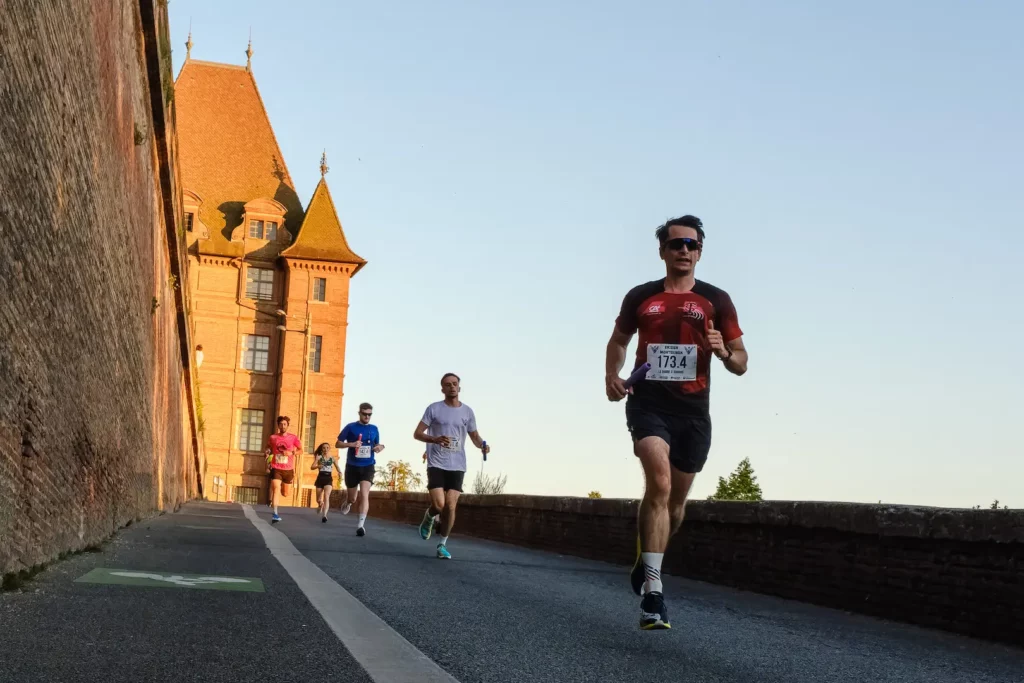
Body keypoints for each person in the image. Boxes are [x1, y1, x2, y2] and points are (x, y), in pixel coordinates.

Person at [605, 215, 748, 630]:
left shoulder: (716, 300)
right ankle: (653, 593)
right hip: (648, 403)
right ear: (662, 251)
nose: (683, 250)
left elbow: (741, 363)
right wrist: (612, 376)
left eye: (691, 244)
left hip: (693, 412)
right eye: (675, 244)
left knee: (676, 504)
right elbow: (618, 340)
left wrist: (723, 352)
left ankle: (646, 554)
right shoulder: (641, 296)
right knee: (659, 482)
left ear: (700, 252)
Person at [413, 373, 490, 559]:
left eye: (455, 384)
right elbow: (417, 433)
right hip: (437, 462)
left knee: (451, 505)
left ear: (459, 387)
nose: (452, 387)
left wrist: (482, 446)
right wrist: (435, 439)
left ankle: (442, 544)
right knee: (439, 504)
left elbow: (474, 436)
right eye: (447, 385)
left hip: (457, 464)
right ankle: (430, 516)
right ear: (442, 389)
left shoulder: (468, 412)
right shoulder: (434, 409)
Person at [336, 403, 384, 536]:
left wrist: (380, 447)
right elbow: (338, 443)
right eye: (365, 414)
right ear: (359, 413)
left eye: (369, 414)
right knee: (353, 498)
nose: (367, 416)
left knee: (364, 493)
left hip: (368, 466)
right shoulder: (351, 427)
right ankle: (348, 502)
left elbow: (377, 444)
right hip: (352, 466)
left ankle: (360, 525)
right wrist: (351, 444)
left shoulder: (374, 429)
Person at [264, 415, 302, 524]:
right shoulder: (273, 438)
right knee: (276, 488)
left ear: (288, 426)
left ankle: (282, 489)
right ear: (278, 425)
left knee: (285, 493)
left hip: (288, 469)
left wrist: (292, 452)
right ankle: (275, 514)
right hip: (276, 467)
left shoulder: (293, 438)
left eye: (285, 424)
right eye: (281, 424)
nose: (283, 426)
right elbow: (268, 447)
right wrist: (267, 452)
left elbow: (301, 450)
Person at [310, 443, 339, 523]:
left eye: (327, 448)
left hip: (328, 478)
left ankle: (324, 515)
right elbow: (312, 467)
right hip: (320, 478)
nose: (325, 449)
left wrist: (340, 472)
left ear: (329, 449)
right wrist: (317, 465)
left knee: (326, 496)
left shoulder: (332, 458)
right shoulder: (319, 457)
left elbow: (337, 467)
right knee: (318, 499)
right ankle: (320, 504)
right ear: (321, 449)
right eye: (324, 448)